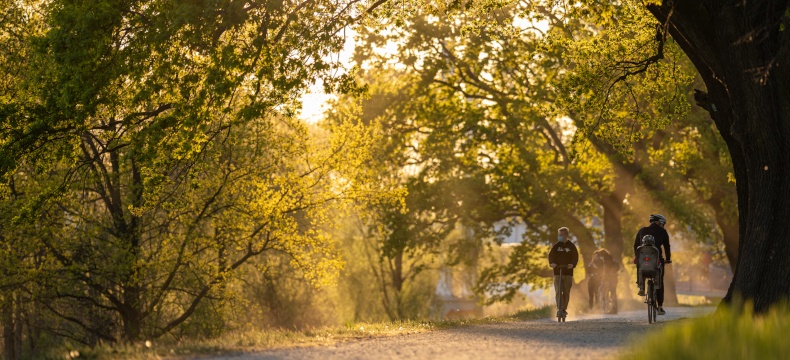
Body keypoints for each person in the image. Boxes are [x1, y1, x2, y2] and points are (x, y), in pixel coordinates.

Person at [633, 214, 671, 315]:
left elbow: (636, 245)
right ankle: (660, 307)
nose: (663, 226)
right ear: (658, 222)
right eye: (663, 223)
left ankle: (641, 286)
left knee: (639, 266)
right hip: (656, 260)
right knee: (659, 282)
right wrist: (668, 259)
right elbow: (667, 246)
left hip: (642, 260)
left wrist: (637, 256)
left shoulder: (642, 230)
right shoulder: (663, 232)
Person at [549, 227, 579, 318]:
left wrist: (572, 264)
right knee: (558, 290)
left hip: (568, 272)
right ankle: (559, 309)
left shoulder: (571, 246)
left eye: (561, 235)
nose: (559, 237)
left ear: (566, 235)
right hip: (558, 271)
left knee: (566, 291)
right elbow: (551, 256)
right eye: (559, 235)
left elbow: (575, 257)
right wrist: (552, 263)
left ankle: (564, 309)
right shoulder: (556, 246)